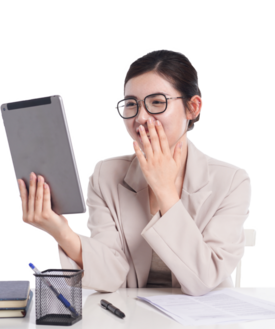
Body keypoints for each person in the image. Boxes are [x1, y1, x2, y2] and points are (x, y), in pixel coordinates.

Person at [18, 48, 252, 296]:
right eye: (131, 105)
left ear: (192, 107)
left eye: (157, 103)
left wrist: (164, 189)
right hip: (131, 321)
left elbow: (204, 281)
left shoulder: (231, 181)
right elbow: (111, 275)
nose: (140, 118)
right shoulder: (106, 175)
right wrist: (61, 231)